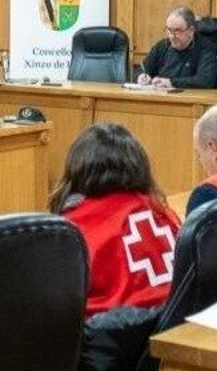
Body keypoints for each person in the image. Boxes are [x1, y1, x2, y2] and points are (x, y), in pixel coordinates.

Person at [50, 123, 182, 316]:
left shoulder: (75, 227)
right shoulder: (164, 214)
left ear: (79, 169)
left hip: (107, 338)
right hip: (169, 327)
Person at [136, 6, 217, 90]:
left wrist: (171, 82)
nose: (172, 36)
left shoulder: (206, 47)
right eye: (169, 30)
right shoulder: (162, 46)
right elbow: (143, 69)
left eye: (177, 31)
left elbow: (205, 81)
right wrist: (142, 77)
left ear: (191, 30)